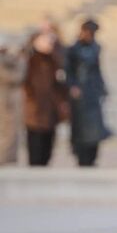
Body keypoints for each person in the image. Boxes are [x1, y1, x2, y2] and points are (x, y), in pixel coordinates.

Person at [64, 18, 111, 167]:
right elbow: (68, 70)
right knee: (80, 128)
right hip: (79, 95)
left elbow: (97, 69)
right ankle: (81, 156)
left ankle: (92, 156)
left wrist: (102, 87)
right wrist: (73, 86)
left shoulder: (95, 48)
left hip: (92, 92)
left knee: (94, 127)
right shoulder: (73, 50)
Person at [22, 31, 68, 167]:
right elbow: (24, 81)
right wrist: (30, 97)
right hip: (34, 109)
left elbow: (60, 83)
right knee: (35, 145)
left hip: (50, 108)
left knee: (47, 146)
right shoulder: (30, 60)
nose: (49, 44)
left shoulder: (54, 60)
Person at [0, 33, 22, 165]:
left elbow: (18, 76)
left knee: (11, 131)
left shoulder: (11, 61)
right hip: (4, 101)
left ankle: (9, 159)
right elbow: (13, 77)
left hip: (10, 101)